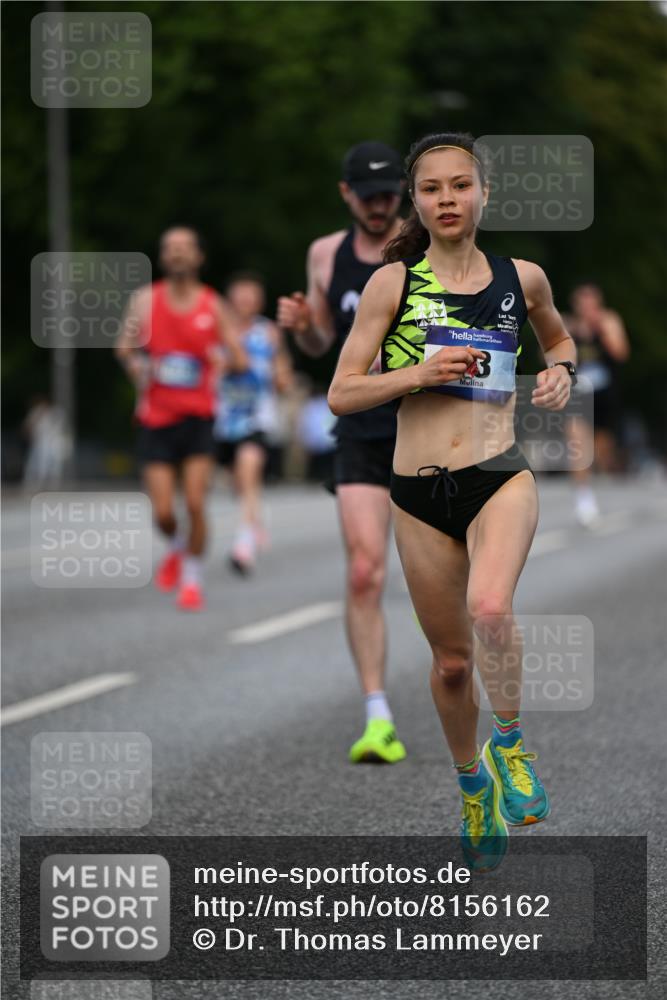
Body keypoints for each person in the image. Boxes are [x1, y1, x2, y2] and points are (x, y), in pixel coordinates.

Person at [328, 133, 578, 871]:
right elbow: (343, 392)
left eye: (459, 185)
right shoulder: (391, 286)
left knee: (492, 609)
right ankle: (472, 784)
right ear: (416, 200)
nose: (446, 199)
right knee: (447, 665)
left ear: (482, 194)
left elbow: (558, 340)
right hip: (416, 493)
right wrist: (417, 372)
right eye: (431, 188)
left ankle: (510, 744)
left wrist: (560, 371)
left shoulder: (521, 278)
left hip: (498, 472)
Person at [277, 141, 408, 764]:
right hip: (359, 425)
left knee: (453, 582)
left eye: (390, 194)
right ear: (346, 194)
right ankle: (376, 715)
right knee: (364, 570)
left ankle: (460, 681)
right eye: (369, 195)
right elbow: (322, 341)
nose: (381, 207)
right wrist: (303, 324)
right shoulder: (325, 253)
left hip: (428, 426)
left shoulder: (424, 244)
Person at [116, 226, 246, 611]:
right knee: (163, 512)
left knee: (193, 503)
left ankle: (191, 578)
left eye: (183, 248)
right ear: (162, 257)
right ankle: (175, 544)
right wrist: (136, 367)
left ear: (199, 257)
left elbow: (239, 357)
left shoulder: (213, 305)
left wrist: (224, 361)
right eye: (169, 248)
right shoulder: (145, 301)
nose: (175, 254)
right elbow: (124, 346)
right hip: (156, 417)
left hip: (199, 418)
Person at [214, 272, 293, 573]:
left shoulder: (268, 332)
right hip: (223, 418)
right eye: (240, 297)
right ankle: (255, 520)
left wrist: (282, 378)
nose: (246, 303)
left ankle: (243, 545)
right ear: (230, 300)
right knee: (239, 483)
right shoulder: (218, 331)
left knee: (249, 472)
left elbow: (282, 368)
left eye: (252, 298)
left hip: (257, 417)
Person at [564, 284, 630, 526]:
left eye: (591, 303)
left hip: (605, 394)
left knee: (601, 448)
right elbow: (552, 356)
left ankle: (600, 478)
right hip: (580, 394)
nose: (587, 308)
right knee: (577, 445)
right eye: (582, 303)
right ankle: (584, 499)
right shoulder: (569, 325)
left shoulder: (609, 321)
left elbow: (621, 353)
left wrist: (600, 329)